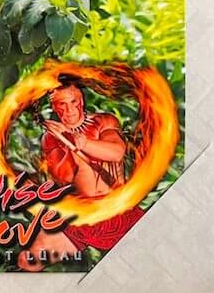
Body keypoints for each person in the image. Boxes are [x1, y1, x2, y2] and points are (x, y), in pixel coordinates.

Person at [17, 84, 144, 271]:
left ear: (81, 101)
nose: (68, 110)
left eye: (73, 102)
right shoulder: (50, 138)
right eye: (61, 104)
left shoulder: (104, 122)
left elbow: (116, 152)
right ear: (54, 107)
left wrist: (78, 142)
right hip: (81, 218)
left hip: (118, 213)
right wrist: (64, 142)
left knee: (150, 261)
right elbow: (65, 177)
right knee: (27, 260)